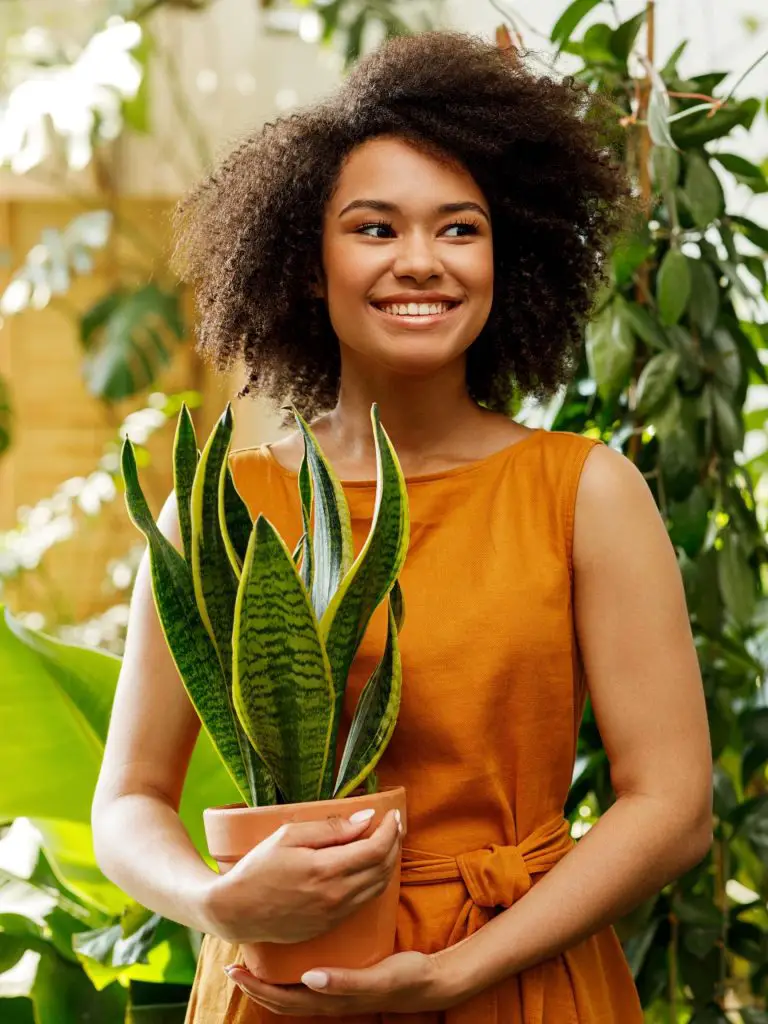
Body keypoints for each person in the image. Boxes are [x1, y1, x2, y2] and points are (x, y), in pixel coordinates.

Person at [92, 29, 713, 1023]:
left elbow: (675, 810)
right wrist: (214, 898)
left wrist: (455, 974)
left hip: (519, 982)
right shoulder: (220, 510)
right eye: (375, 229)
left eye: (459, 229)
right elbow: (125, 802)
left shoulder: (586, 491)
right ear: (304, 263)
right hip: (283, 987)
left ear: (506, 256)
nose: (420, 262)